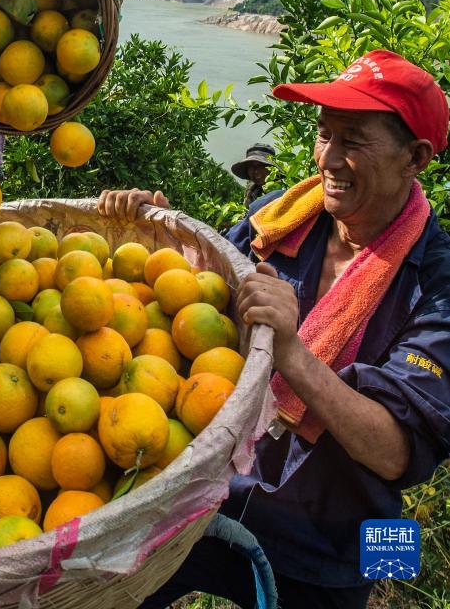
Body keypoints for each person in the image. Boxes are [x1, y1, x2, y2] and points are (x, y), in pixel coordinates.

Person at [99, 49, 450, 608]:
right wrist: (157, 241)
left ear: (416, 157)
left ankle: (397, 586)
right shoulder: (279, 219)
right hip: (213, 496)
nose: (328, 159)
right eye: (324, 134)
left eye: (353, 140)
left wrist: (294, 352)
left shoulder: (436, 283)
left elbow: (396, 456)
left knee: (374, 579)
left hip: (333, 539)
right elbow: (198, 305)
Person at [232, 142, 275, 207]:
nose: (256, 171)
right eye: (251, 166)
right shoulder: (251, 192)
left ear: (271, 168)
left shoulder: (283, 190)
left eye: (261, 165)